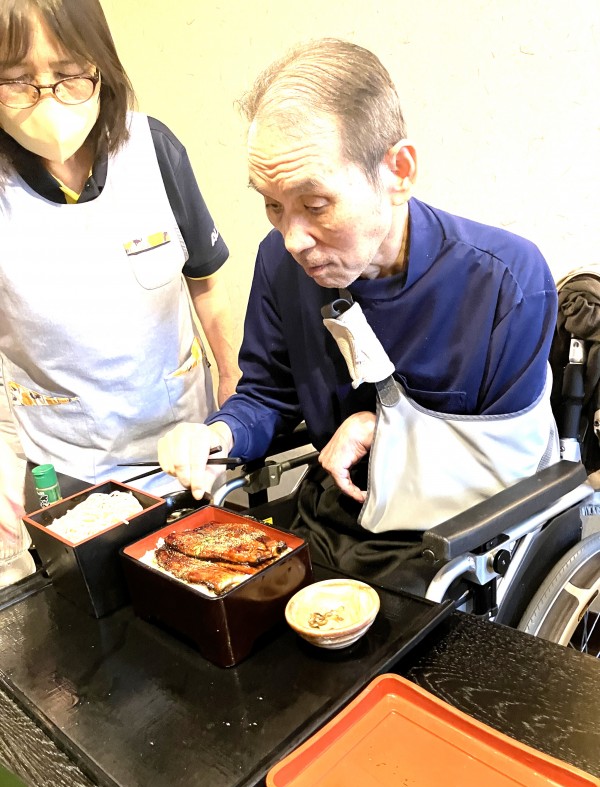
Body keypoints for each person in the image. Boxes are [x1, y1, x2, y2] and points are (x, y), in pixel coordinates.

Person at [158, 38, 559, 583]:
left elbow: (508, 466)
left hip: (452, 548)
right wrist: (218, 436)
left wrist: (385, 433)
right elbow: (267, 395)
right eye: (273, 205)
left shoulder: (506, 282)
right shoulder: (280, 263)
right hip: (333, 523)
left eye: (315, 204)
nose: (293, 238)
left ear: (398, 171)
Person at [0, 0, 240, 546]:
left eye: (68, 75)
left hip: (182, 444)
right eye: (16, 80)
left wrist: (232, 382)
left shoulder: (152, 149)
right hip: (68, 463)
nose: (47, 100)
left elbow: (206, 282)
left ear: (101, 67)